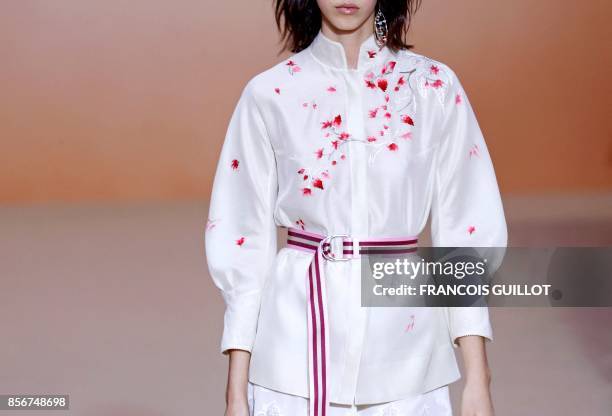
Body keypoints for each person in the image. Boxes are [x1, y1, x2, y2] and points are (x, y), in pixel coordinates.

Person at [205, 1, 507, 415]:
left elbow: (467, 228)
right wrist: (236, 391)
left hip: (406, 360)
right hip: (294, 357)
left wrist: (477, 377)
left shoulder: (433, 86)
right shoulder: (271, 93)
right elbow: (243, 237)